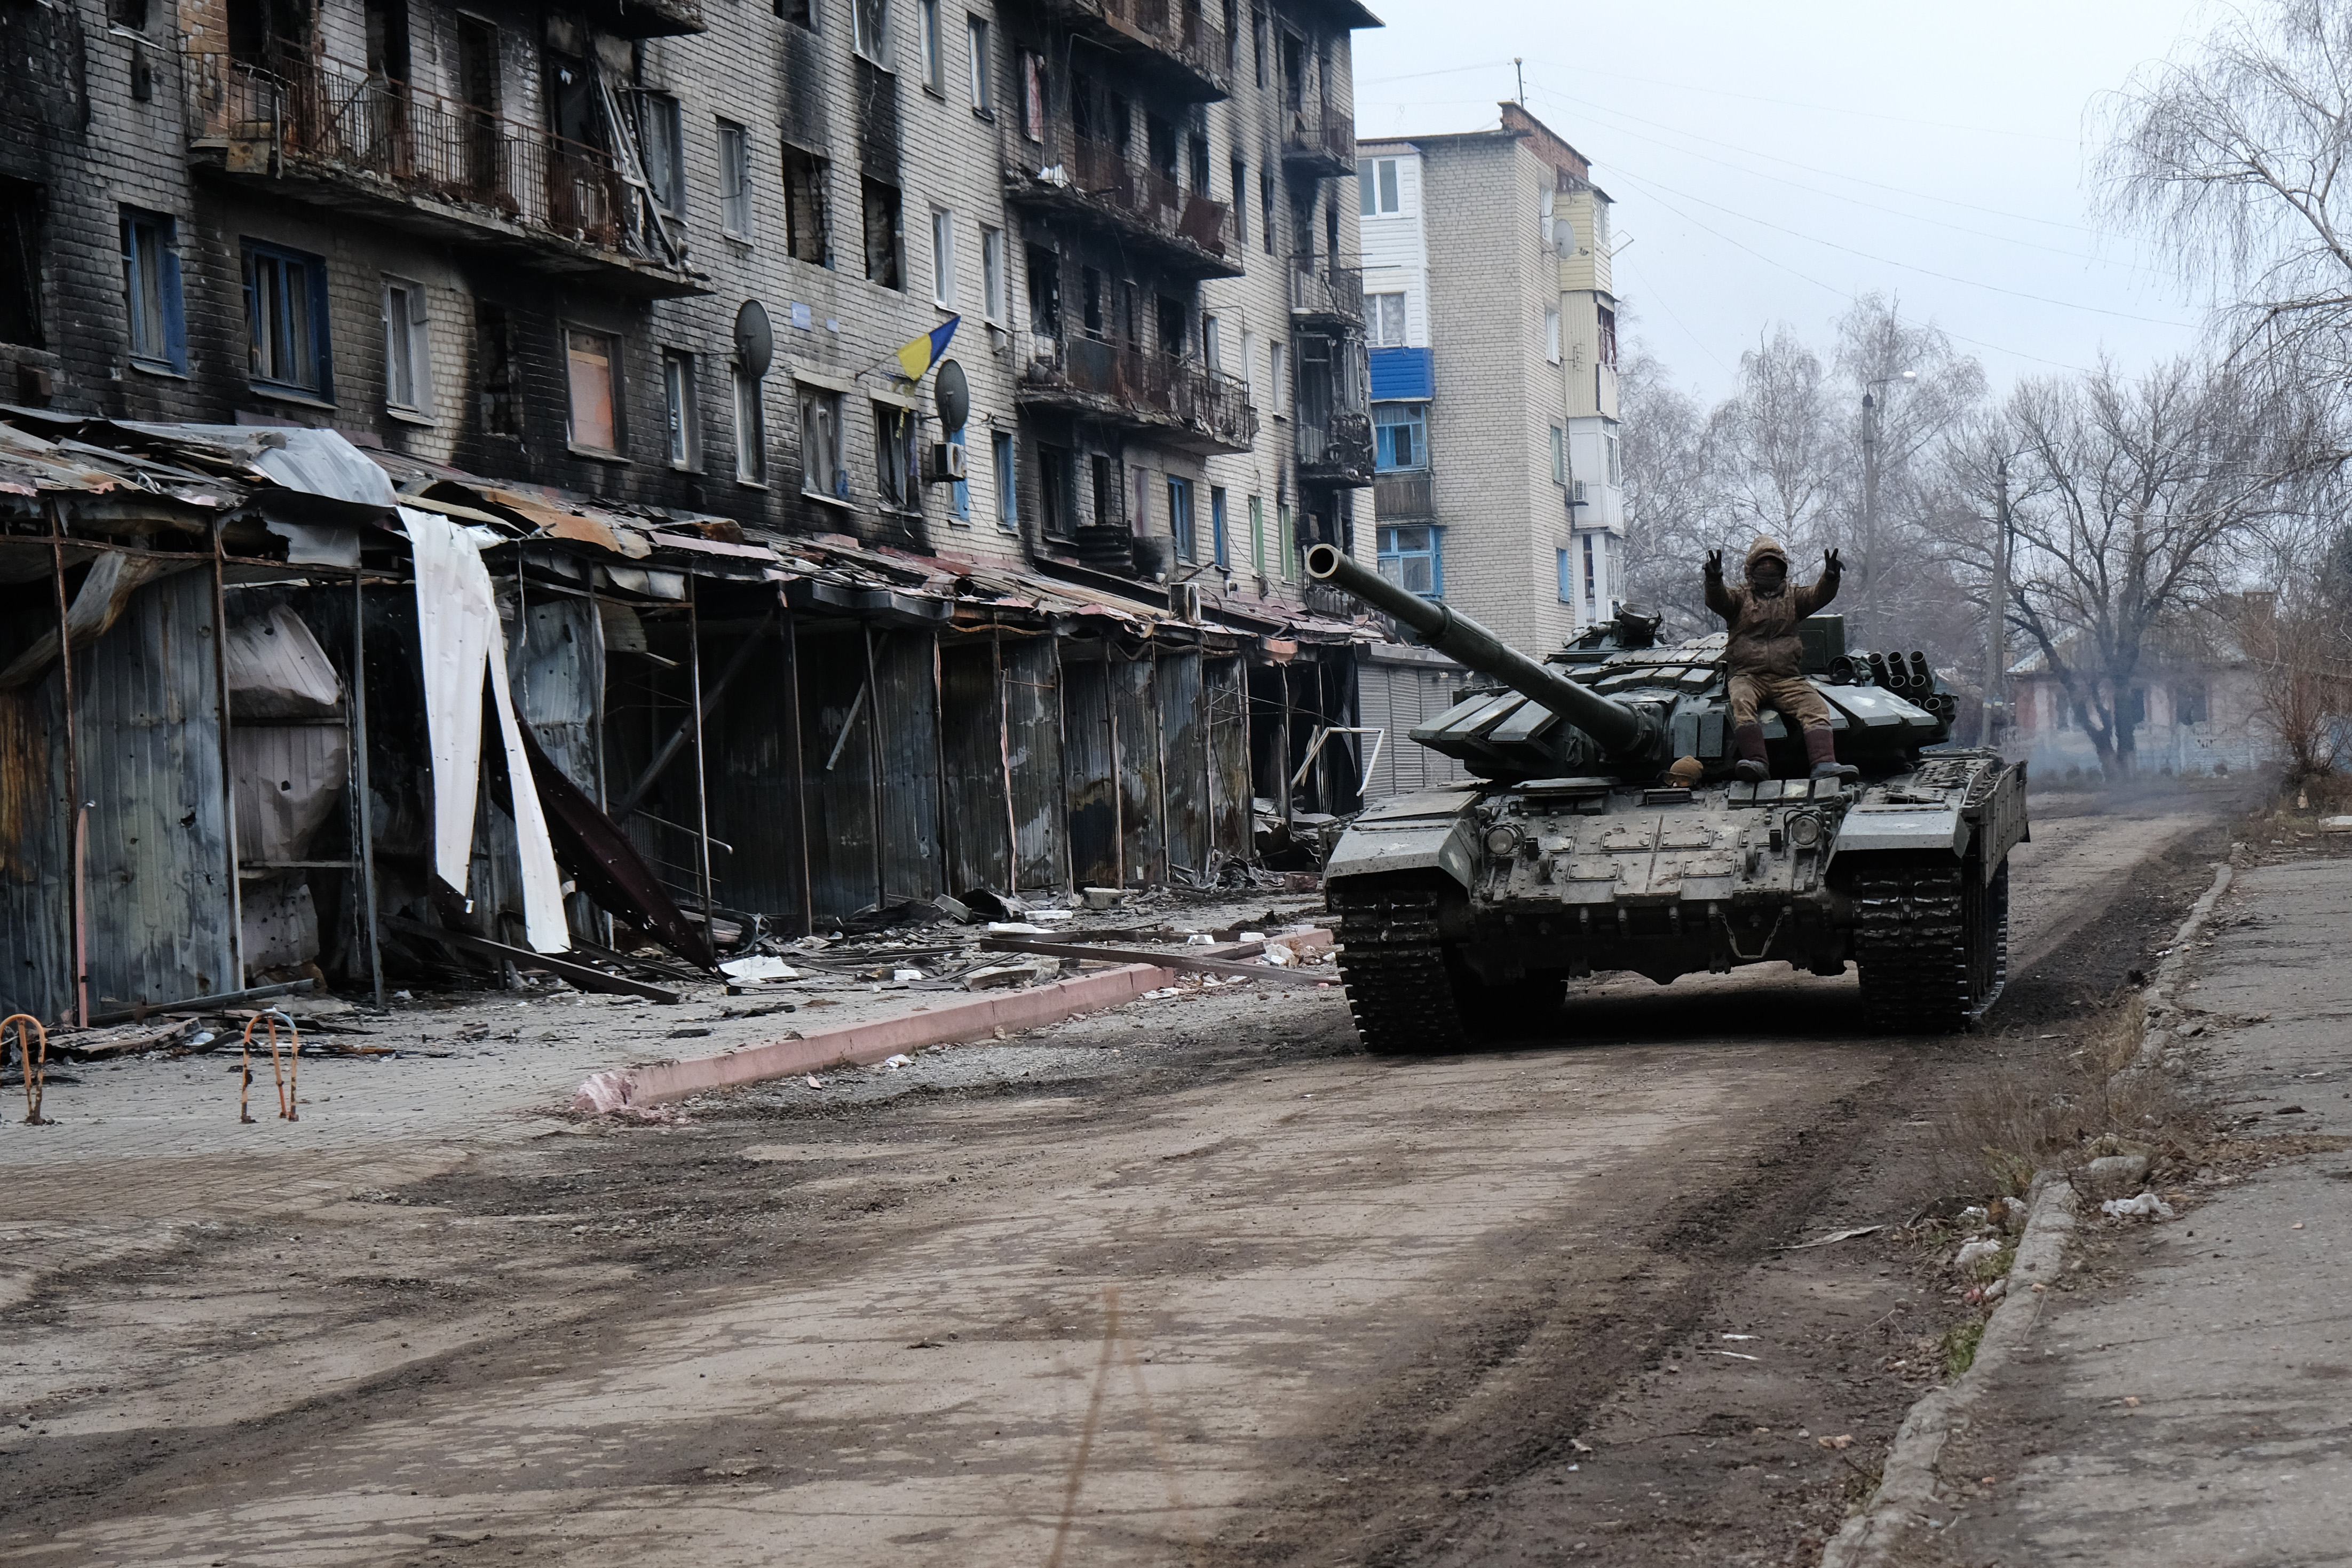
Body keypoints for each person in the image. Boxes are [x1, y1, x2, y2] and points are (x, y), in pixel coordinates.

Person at [1703, 537, 1859, 784]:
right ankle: (1757, 762)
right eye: (1762, 566)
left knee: (1815, 707)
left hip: (1786, 677)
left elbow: (1817, 595)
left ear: (1783, 570)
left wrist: (1830, 578)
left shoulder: (1793, 597)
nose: (1769, 571)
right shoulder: (1740, 598)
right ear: (1751, 569)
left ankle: (1824, 763)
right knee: (1742, 702)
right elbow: (1718, 599)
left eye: (1774, 566)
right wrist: (1713, 581)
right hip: (1747, 675)